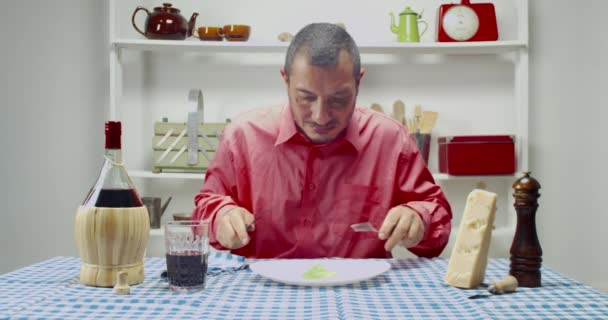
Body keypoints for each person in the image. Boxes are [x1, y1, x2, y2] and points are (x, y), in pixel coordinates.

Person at [192, 22, 452, 259]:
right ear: (286, 80)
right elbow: (205, 207)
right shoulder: (243, 136)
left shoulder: (390, 139)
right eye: (306, 97)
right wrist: (220, 217)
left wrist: (420, 218)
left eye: (338, 99)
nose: (320, 116)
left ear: (359, 82)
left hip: (361, 295)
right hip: (264, 295)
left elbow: (437, 221)